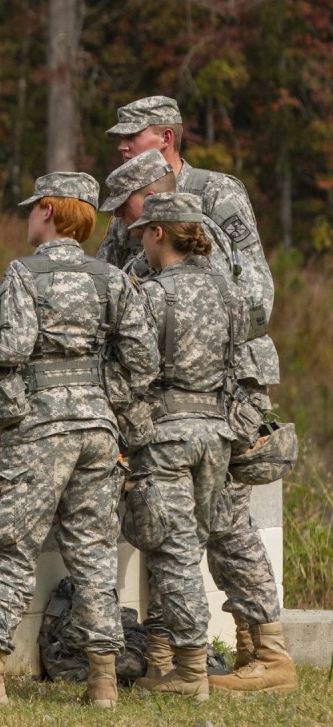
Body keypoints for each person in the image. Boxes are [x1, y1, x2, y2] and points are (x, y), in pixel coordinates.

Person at [0, 173, 158, 709]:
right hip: (98, 431)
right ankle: (104, 682)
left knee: (6, 545)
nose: (27, 216)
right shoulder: (112, 279)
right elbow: (143, 360)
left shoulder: (25, 273)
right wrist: (99, 392)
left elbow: (12, 345)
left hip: (40, 431)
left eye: (33, 208)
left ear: (49, 212)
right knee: (94, 553)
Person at [103, 97, 297, 692]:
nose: (119, 145)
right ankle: (169, 654)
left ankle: (256, 650)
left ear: (163, 139)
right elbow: (114, 290)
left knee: (222, 517)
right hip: (164, 393)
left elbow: (256, 293)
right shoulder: (128, 217)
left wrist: (195, 334)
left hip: (222, 385)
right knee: (173, 519)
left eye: (129, 137)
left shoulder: (218, 194)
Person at [122, 192, 243, 701]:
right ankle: (180, 662)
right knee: (188, 545)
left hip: (166, 435)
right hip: (215, 433)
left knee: (171, 554)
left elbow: (135, 371)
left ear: (157, 233)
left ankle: (191, 670)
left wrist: (127, 430)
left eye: (144, 234)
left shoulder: (150, 296)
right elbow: (240, 366)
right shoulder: (229, 293)